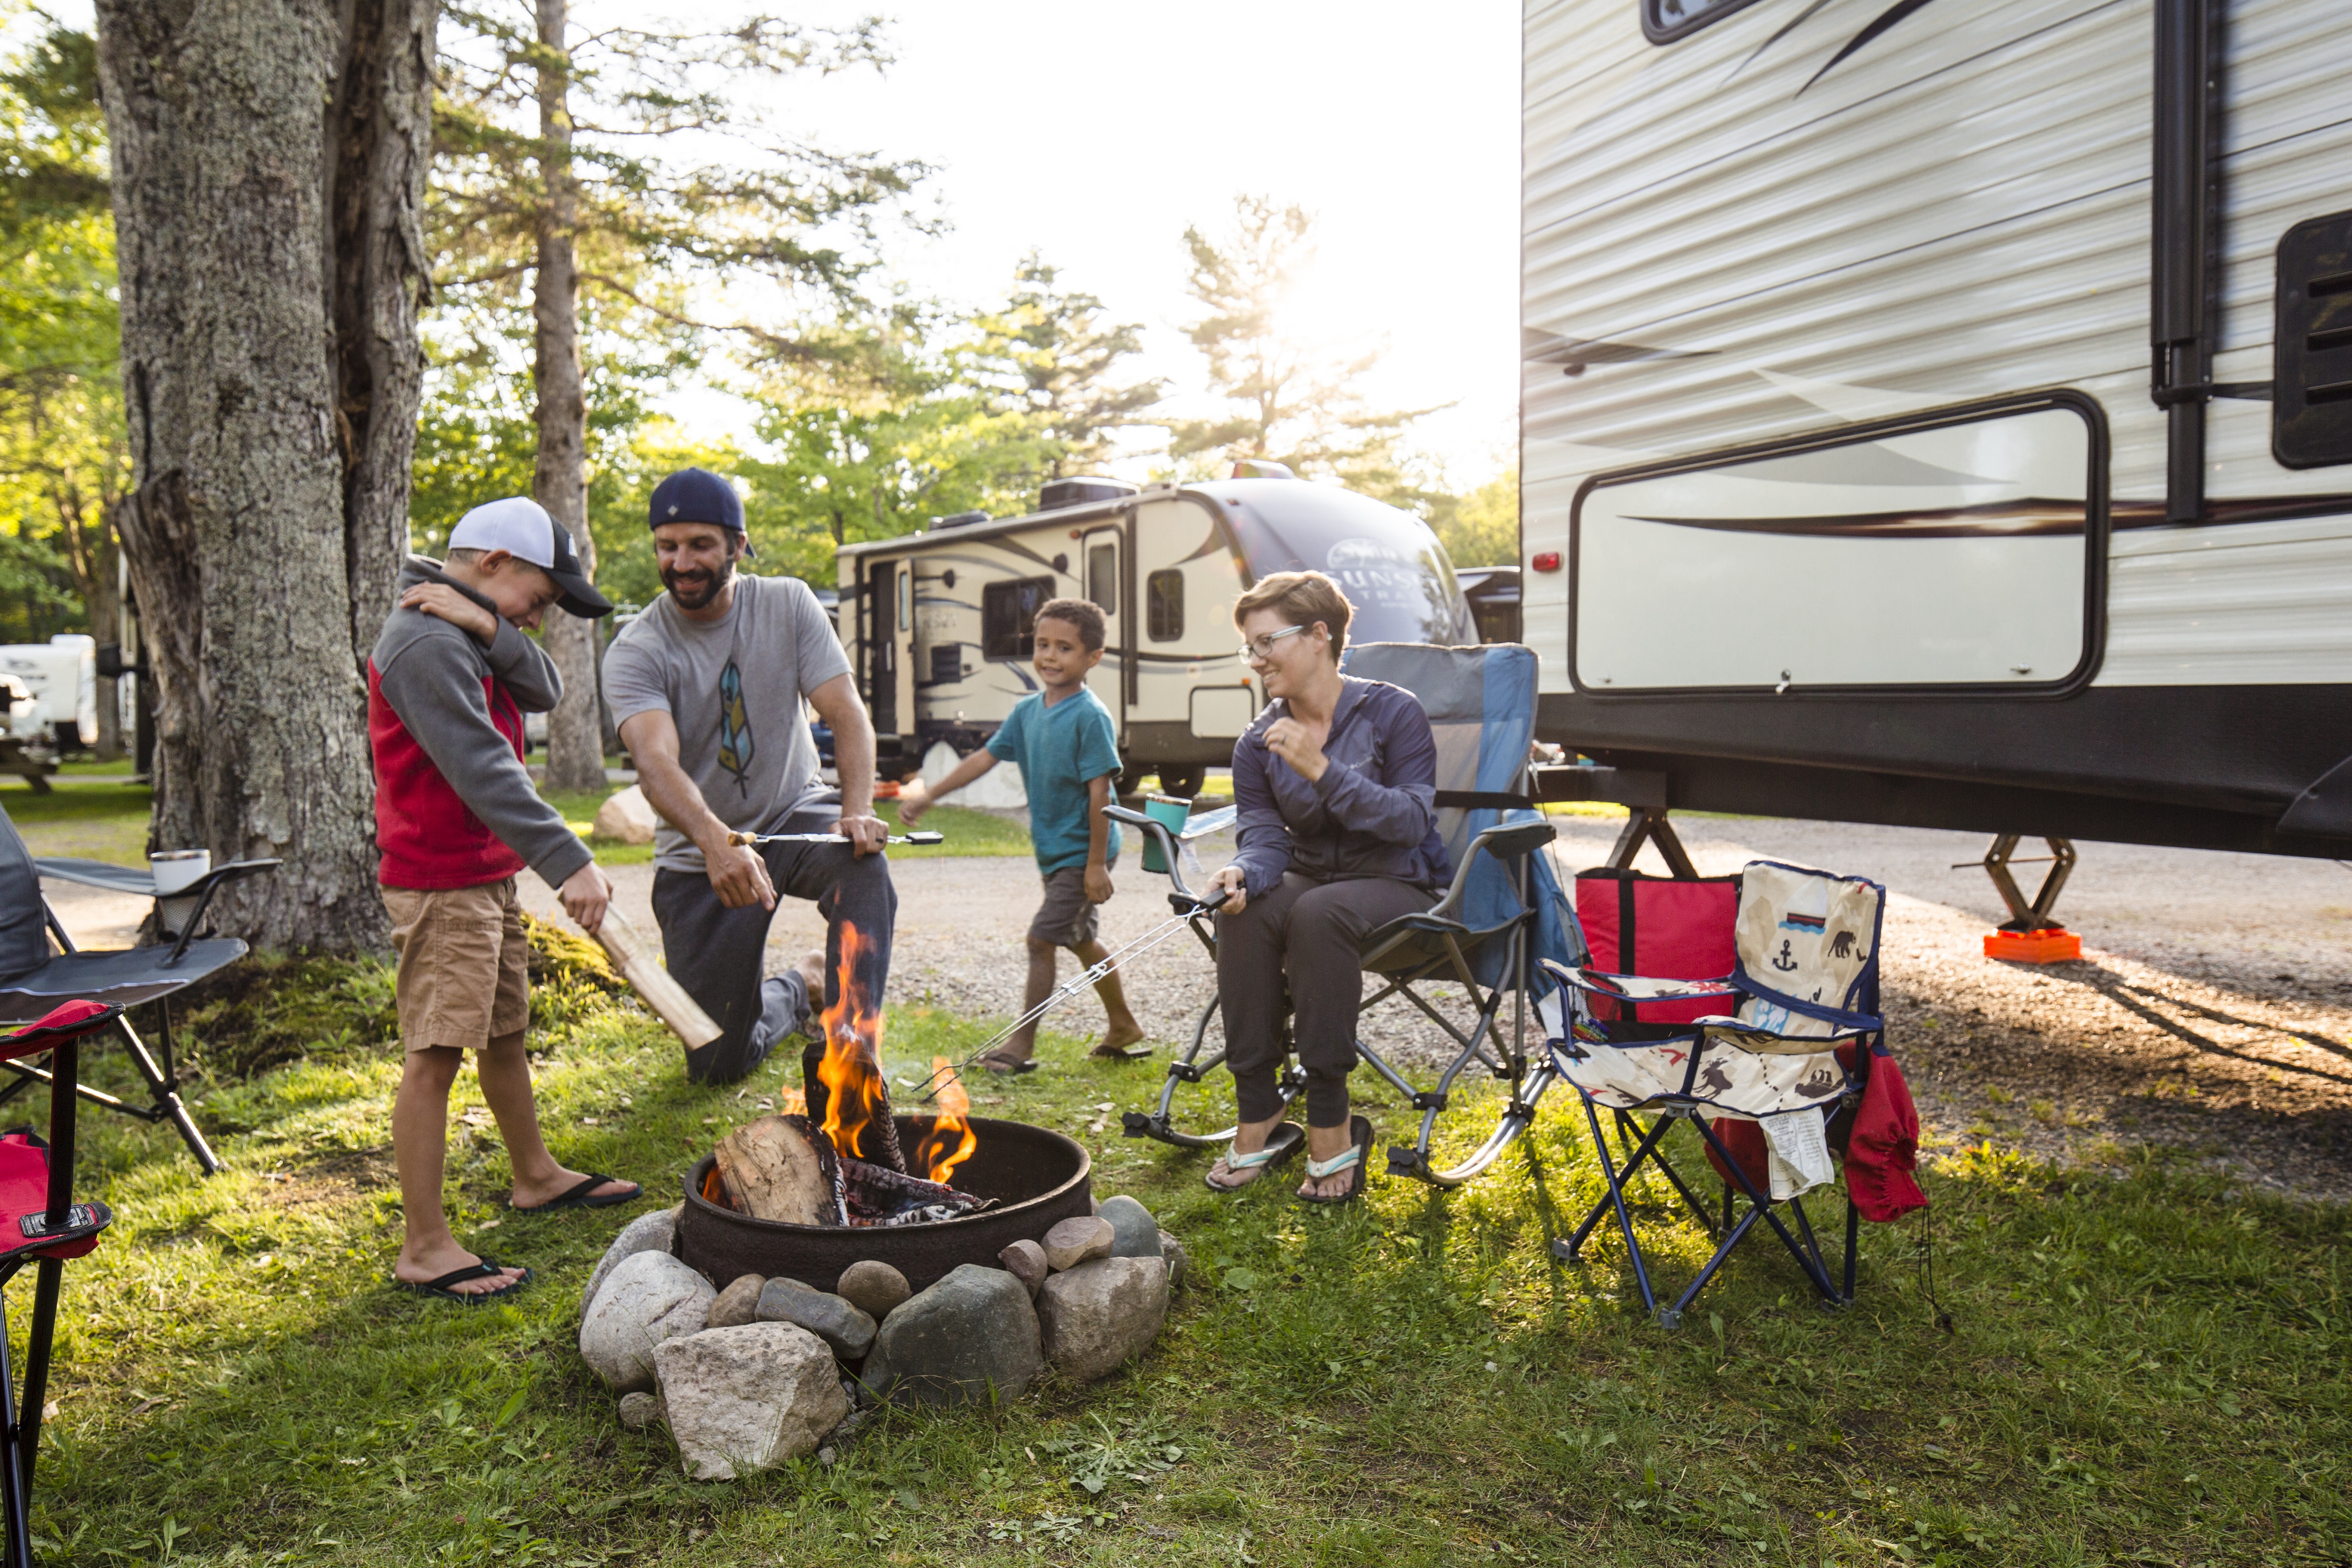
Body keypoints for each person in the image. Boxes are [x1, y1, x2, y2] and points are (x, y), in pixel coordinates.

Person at [369, 496, 640, 1303]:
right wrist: (568, 860)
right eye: (539, 598)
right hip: (441, 882)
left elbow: (546, 687)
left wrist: (493, 626)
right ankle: (425, 1246)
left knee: (504, 1033)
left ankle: (535, 1174)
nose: (539, 616)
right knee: (436, 1054)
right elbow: (482, 766)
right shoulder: (423, 640)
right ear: (493, 562)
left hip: (480, 873)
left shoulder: (464, 626)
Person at [602, 466, 895, 1087]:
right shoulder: (637, 648)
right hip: (698, 852)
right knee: (716, 1063)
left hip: (794, 815)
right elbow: (655, 763)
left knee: (863, 869)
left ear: (737, 544)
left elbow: (846, 713)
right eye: (667, 546)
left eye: (699, 545)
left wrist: (857, 809)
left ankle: (852, 1056)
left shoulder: (788, 603)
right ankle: (799, 987)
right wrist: (716, 841)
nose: (681, 562)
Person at [1201, 570, 1448, 1203]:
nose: (1256, 660)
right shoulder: (1257, 741)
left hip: (1399, 884)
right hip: (1313, 880)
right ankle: (1259, 1108)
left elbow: (1410, 821)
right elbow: (1264, 836)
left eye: (1266, 643)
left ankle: (1330, 1118)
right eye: (1248, 648)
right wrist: (1245, 872)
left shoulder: (1393, 711)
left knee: (1317, 913)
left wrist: (1321, 769)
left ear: (1318, 635)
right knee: (1243, 912)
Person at [901, 597, 1146, 1073]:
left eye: (1065, 648)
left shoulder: (1090, 716)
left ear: (1093, 658)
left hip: (1083, 851)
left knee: (1041, 940)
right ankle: (1123, 1025)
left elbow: (1101, 793)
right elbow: (984, 758)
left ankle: (1021, 1045)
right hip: (1055, 850)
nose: (1050, 656)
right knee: (1079, 940)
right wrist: (929, 795)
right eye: (1042, 645)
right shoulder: (1027, 712)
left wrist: (1096, 864)